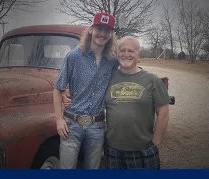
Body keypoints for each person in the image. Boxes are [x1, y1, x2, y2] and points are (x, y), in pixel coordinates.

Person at [63, 36, 171, 169]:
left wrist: (156, 142)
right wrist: (67, 93)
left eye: (131, 51)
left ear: (138, 54)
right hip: (112, 149)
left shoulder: (152, 80)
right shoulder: (109, 76)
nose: (126, 54)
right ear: (117, 54)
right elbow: (89, 91)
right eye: (122, 50)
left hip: (142, 149)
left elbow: (163, 113)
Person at [52, 12, 119, 169]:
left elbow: (117, 85)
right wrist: (59, 120)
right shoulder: (74, 56)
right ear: (91, 29)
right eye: (99, 28)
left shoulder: (112, 61)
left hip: (97, 126)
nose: (102, 34)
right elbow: (57, 88)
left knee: (92, 169)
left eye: (107, 30)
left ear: (111, 34)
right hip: (71, 124)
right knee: (67, 168)